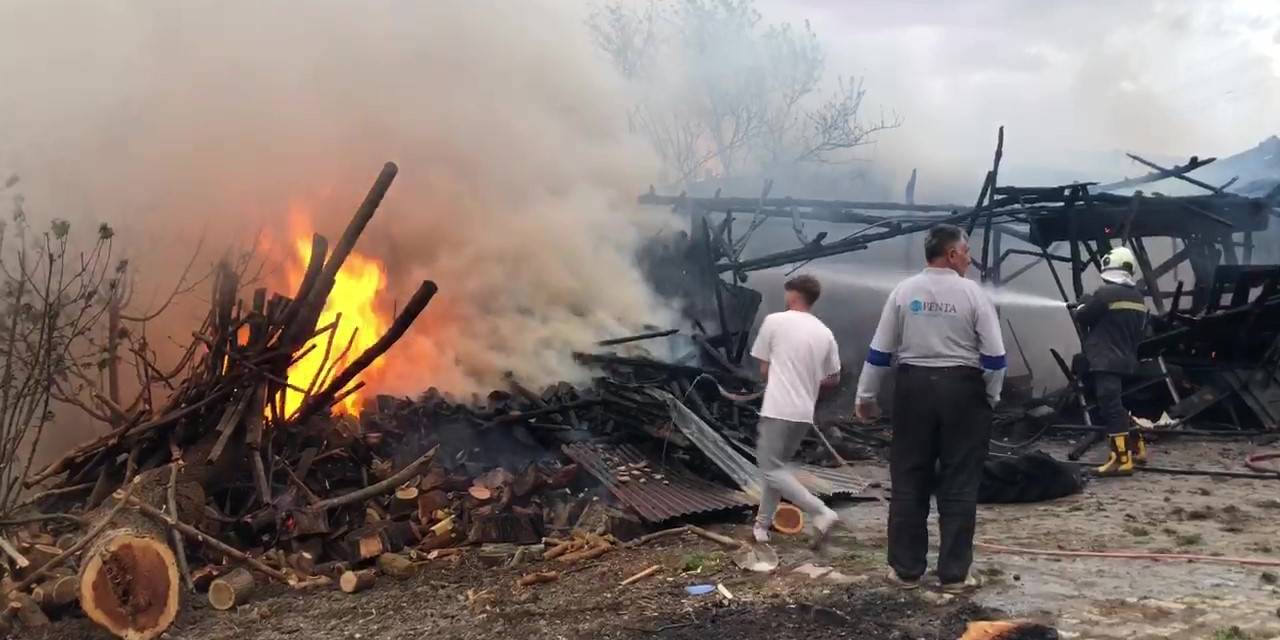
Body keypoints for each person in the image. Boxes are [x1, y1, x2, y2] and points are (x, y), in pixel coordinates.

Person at [854, 224, 1006, 593]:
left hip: (913, 389)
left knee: (909, 478)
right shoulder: (973, 294)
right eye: (966, 252)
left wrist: (866, 396)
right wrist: (988, 397)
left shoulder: (904, 291)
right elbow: (995, 358)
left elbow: (879, 352)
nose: (969, 258)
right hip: (963, 390)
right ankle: (954, 574)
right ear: (951, 254)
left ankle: (906, 570)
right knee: (960, 481)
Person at [749, 274, 842, 547]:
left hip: (778, 408)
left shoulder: (774, 321)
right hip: (803, 413)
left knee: (769, 469)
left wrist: (783, 378)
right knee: (776, 469)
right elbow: (834, 377)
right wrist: (807, 379)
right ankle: (762, 527)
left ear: (793, 295)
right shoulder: (824, 332)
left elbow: (764, 369)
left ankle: (820, 511)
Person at [1071, 246, 1149, 477]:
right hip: (1125, 358)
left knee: (1110, 406)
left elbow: (1083, 316)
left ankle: (1121, 459)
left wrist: (1083, 302)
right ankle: (1137, 446)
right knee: (1115, 405)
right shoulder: (1137, 297)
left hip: (1105, 359)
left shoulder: (1105, 294)